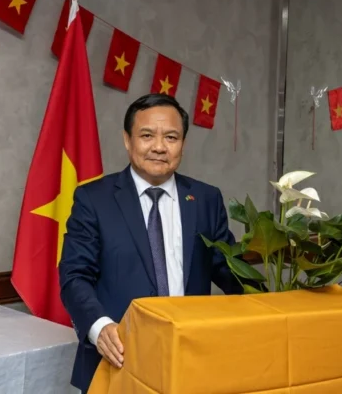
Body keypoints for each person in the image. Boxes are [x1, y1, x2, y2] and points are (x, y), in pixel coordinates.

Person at [59, 93, 245, 393]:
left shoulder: (205, 198)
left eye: (171, 137)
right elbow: (74, 275)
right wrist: (99, 327)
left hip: (191, 360)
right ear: (127, 140)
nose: (159, 147)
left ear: (183, 143)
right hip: (118, 360)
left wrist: (274, 307)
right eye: (147, 135)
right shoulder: (94, 199)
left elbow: (230, 271)